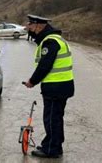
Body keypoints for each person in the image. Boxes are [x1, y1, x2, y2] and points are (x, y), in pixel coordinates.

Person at [23, 14, 74, 158]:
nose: (29, 28)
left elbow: (44, 66)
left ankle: (51, 149)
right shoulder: (53, 39)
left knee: (52, 119)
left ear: (39, 26)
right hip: (60, 86)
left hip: (56, 87)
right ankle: (53, 145)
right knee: (56, 118)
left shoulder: (50, 42)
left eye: (31, 26)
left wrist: (32, 81)